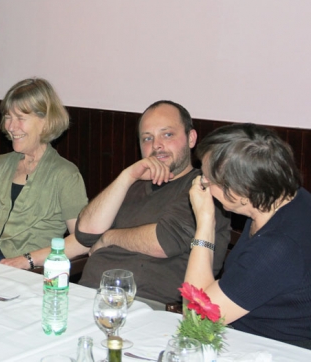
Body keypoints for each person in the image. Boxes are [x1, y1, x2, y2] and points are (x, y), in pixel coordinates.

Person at [75, 100, 231, 308]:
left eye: (167, 135)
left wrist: (109, 238)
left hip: (150, 308)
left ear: (191, 138)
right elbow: (85, 232)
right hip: (87, 297)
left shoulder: (204, 187)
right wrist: (127, 176)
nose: (156, 145)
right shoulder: (131, 184)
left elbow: (164, 241)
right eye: (147, 138)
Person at [186, 123, 311, 348]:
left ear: (241, 191)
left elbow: (197, 316)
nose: (203, 183)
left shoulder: (279, 248)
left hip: (276, 350)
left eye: (208, 179)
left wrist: (205, 221)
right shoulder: (283, 198)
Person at [0, 78, 88, 269]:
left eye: (20, 118)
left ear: (45, 122)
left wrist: (28, 260)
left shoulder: (65, 175)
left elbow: (81, 241)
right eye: (7, 116)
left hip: (28, 273)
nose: (11, 127)